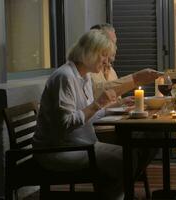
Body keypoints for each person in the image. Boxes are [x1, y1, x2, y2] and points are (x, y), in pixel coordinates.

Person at [32, 30, 153, 200]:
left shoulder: (85, 77)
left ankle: (112, 195)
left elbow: (90, 117)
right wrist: (98, 104)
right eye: (104, 55)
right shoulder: (65, 77)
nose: (107, 61)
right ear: (90, 53)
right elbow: (65, 124)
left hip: (80, 144)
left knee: (131, 156)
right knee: (127, 159)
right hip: (59, 150)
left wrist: (117, 105)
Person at [90, 23, 161, 100]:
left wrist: (123, 103)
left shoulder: (111, 71)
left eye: (115, 43)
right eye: (112, 43)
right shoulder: (89, 69)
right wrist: (136, 78)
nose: (116, 48)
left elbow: (114, 100)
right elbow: (97, 92)